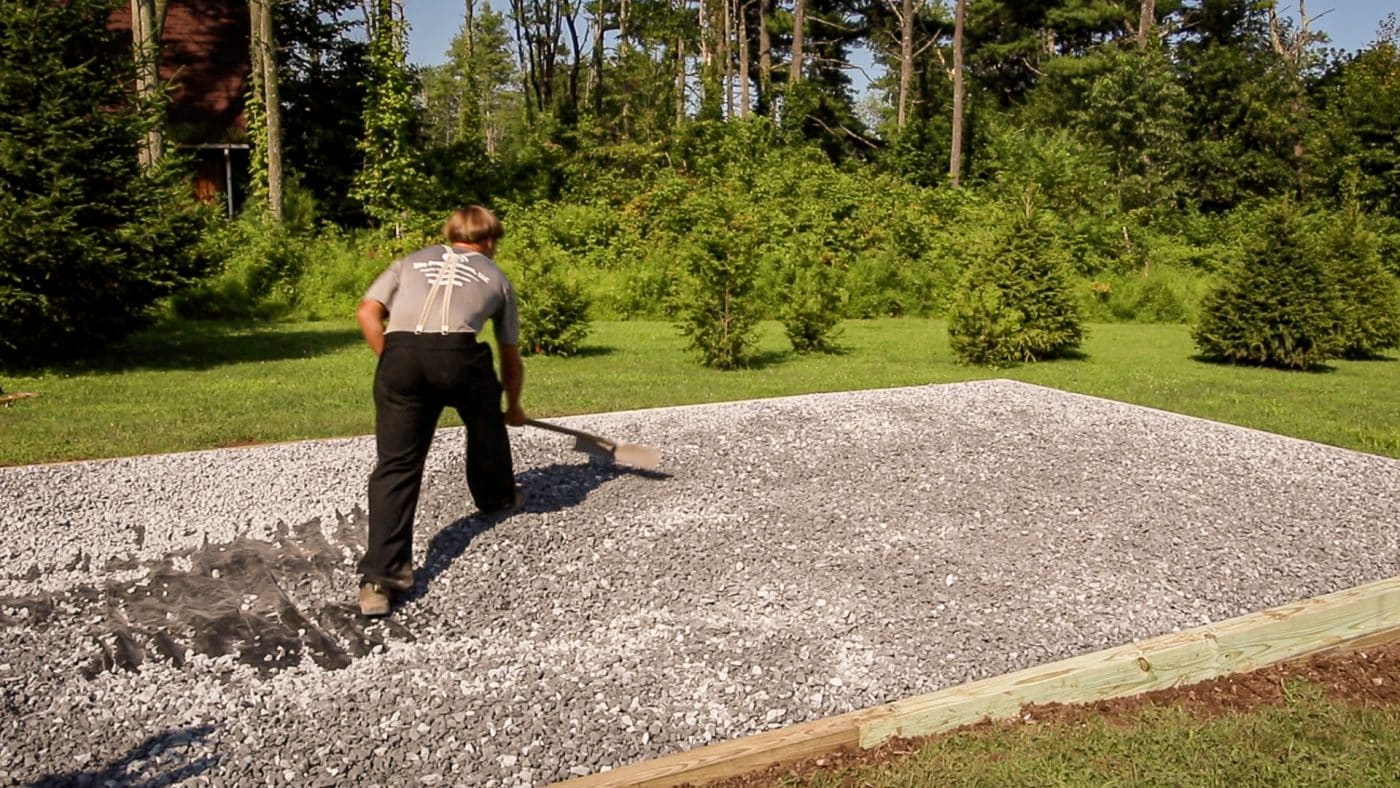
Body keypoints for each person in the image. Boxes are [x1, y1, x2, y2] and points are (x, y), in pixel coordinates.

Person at [354, 205, 527, 617]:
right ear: (487, 241)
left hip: (399, 357)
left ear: (451, 235)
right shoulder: (496, 277)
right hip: (458, 358)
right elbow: (509, 354)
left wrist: (394, 361)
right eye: (495, 242)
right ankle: (496, 496)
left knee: (396, 465)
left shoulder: (408, 261)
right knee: (485, 419)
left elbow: (367, 312)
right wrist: (513, 405)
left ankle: (379, 581)